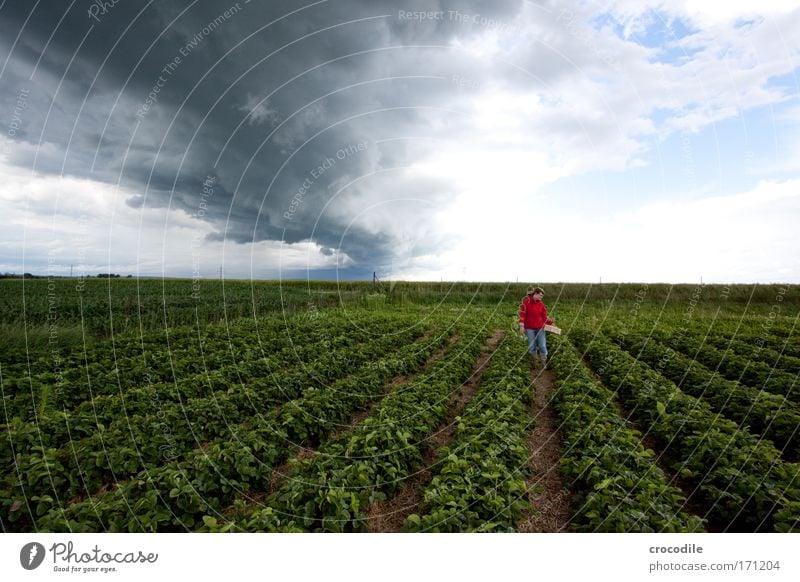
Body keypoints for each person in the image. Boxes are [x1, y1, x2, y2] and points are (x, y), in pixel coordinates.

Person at [519, 286, 553, 367]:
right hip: (529, 328)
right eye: (541, 295)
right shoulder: (526, 303)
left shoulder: (541, 304)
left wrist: (551, 323)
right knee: (532, 345)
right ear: (536, 294)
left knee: (542, 345)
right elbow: (522, 315)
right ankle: (533, 362)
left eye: (542, 296)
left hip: (540, 327)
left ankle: (544, 361)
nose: (541, 297)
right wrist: (521, 326)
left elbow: (544, 316)